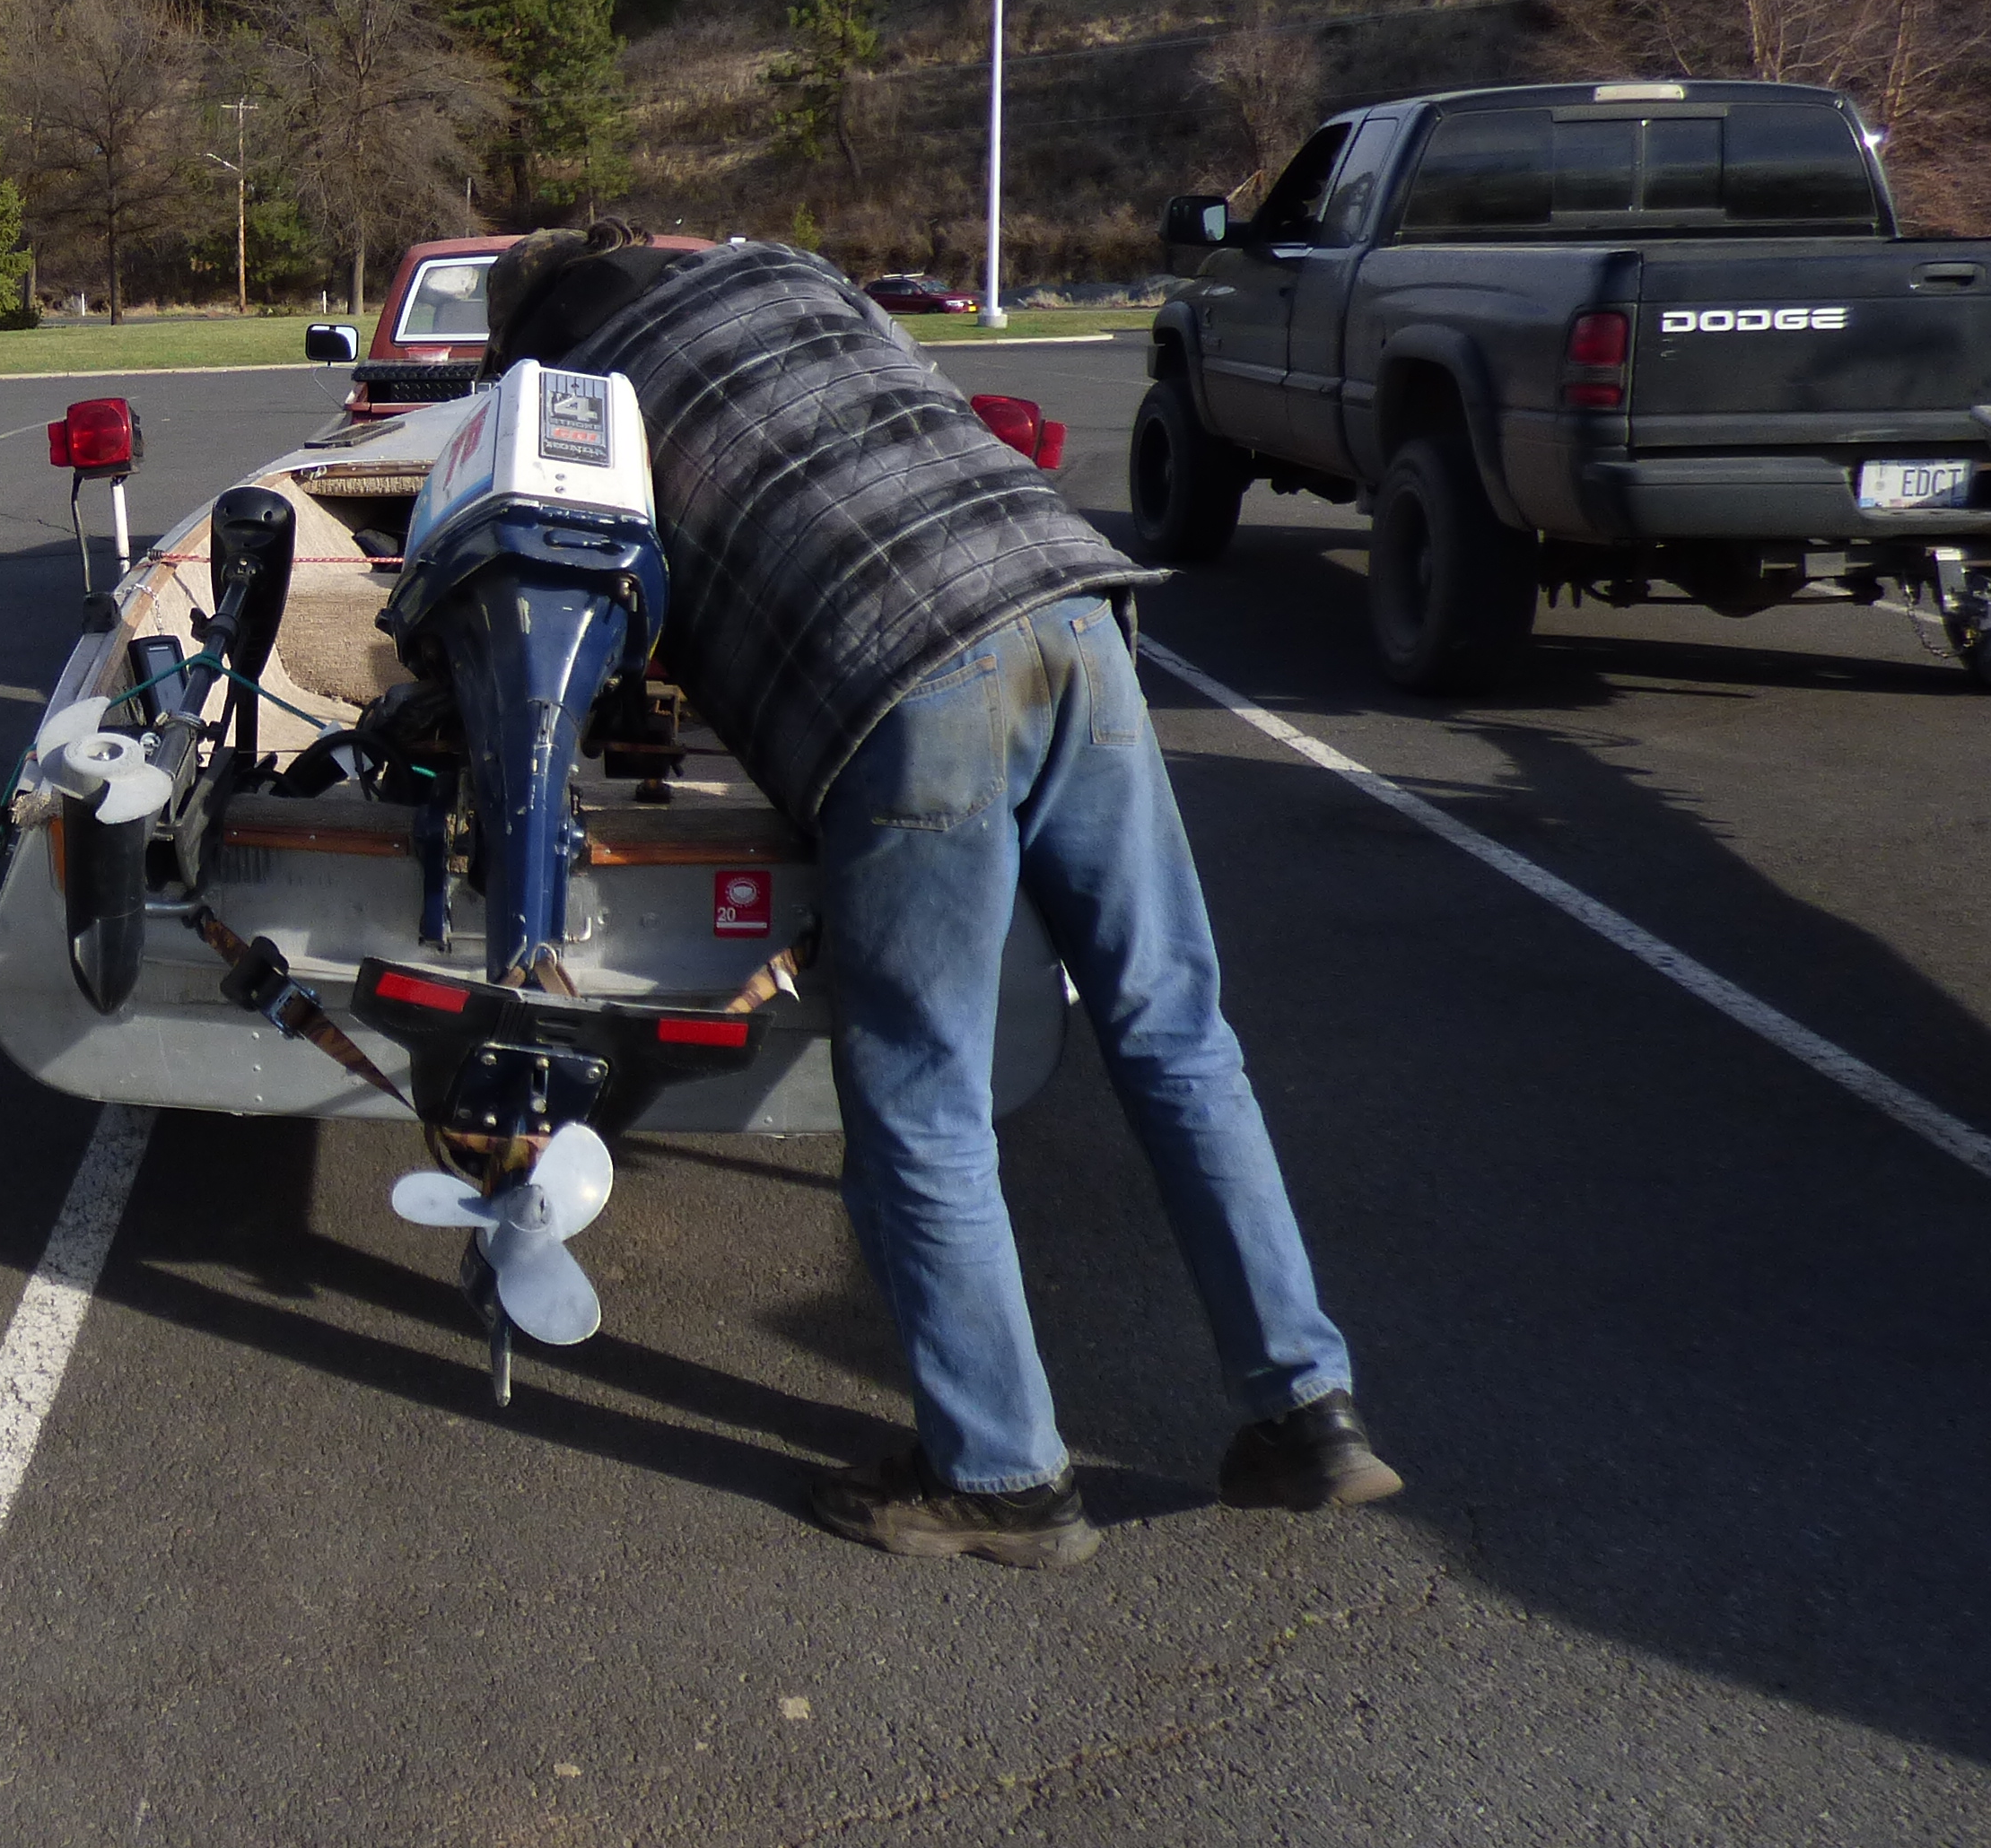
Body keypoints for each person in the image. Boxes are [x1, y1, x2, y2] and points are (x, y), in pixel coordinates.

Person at [483, 223, 1398, 1569]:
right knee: (1176, 1032)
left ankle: (1004, 1479)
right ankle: (1308, 1409)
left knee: (922, 1094)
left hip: (907, 681)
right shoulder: (791, 274)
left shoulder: (579, 398)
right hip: (1074, 611)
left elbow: (580, 595)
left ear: (542, 334)